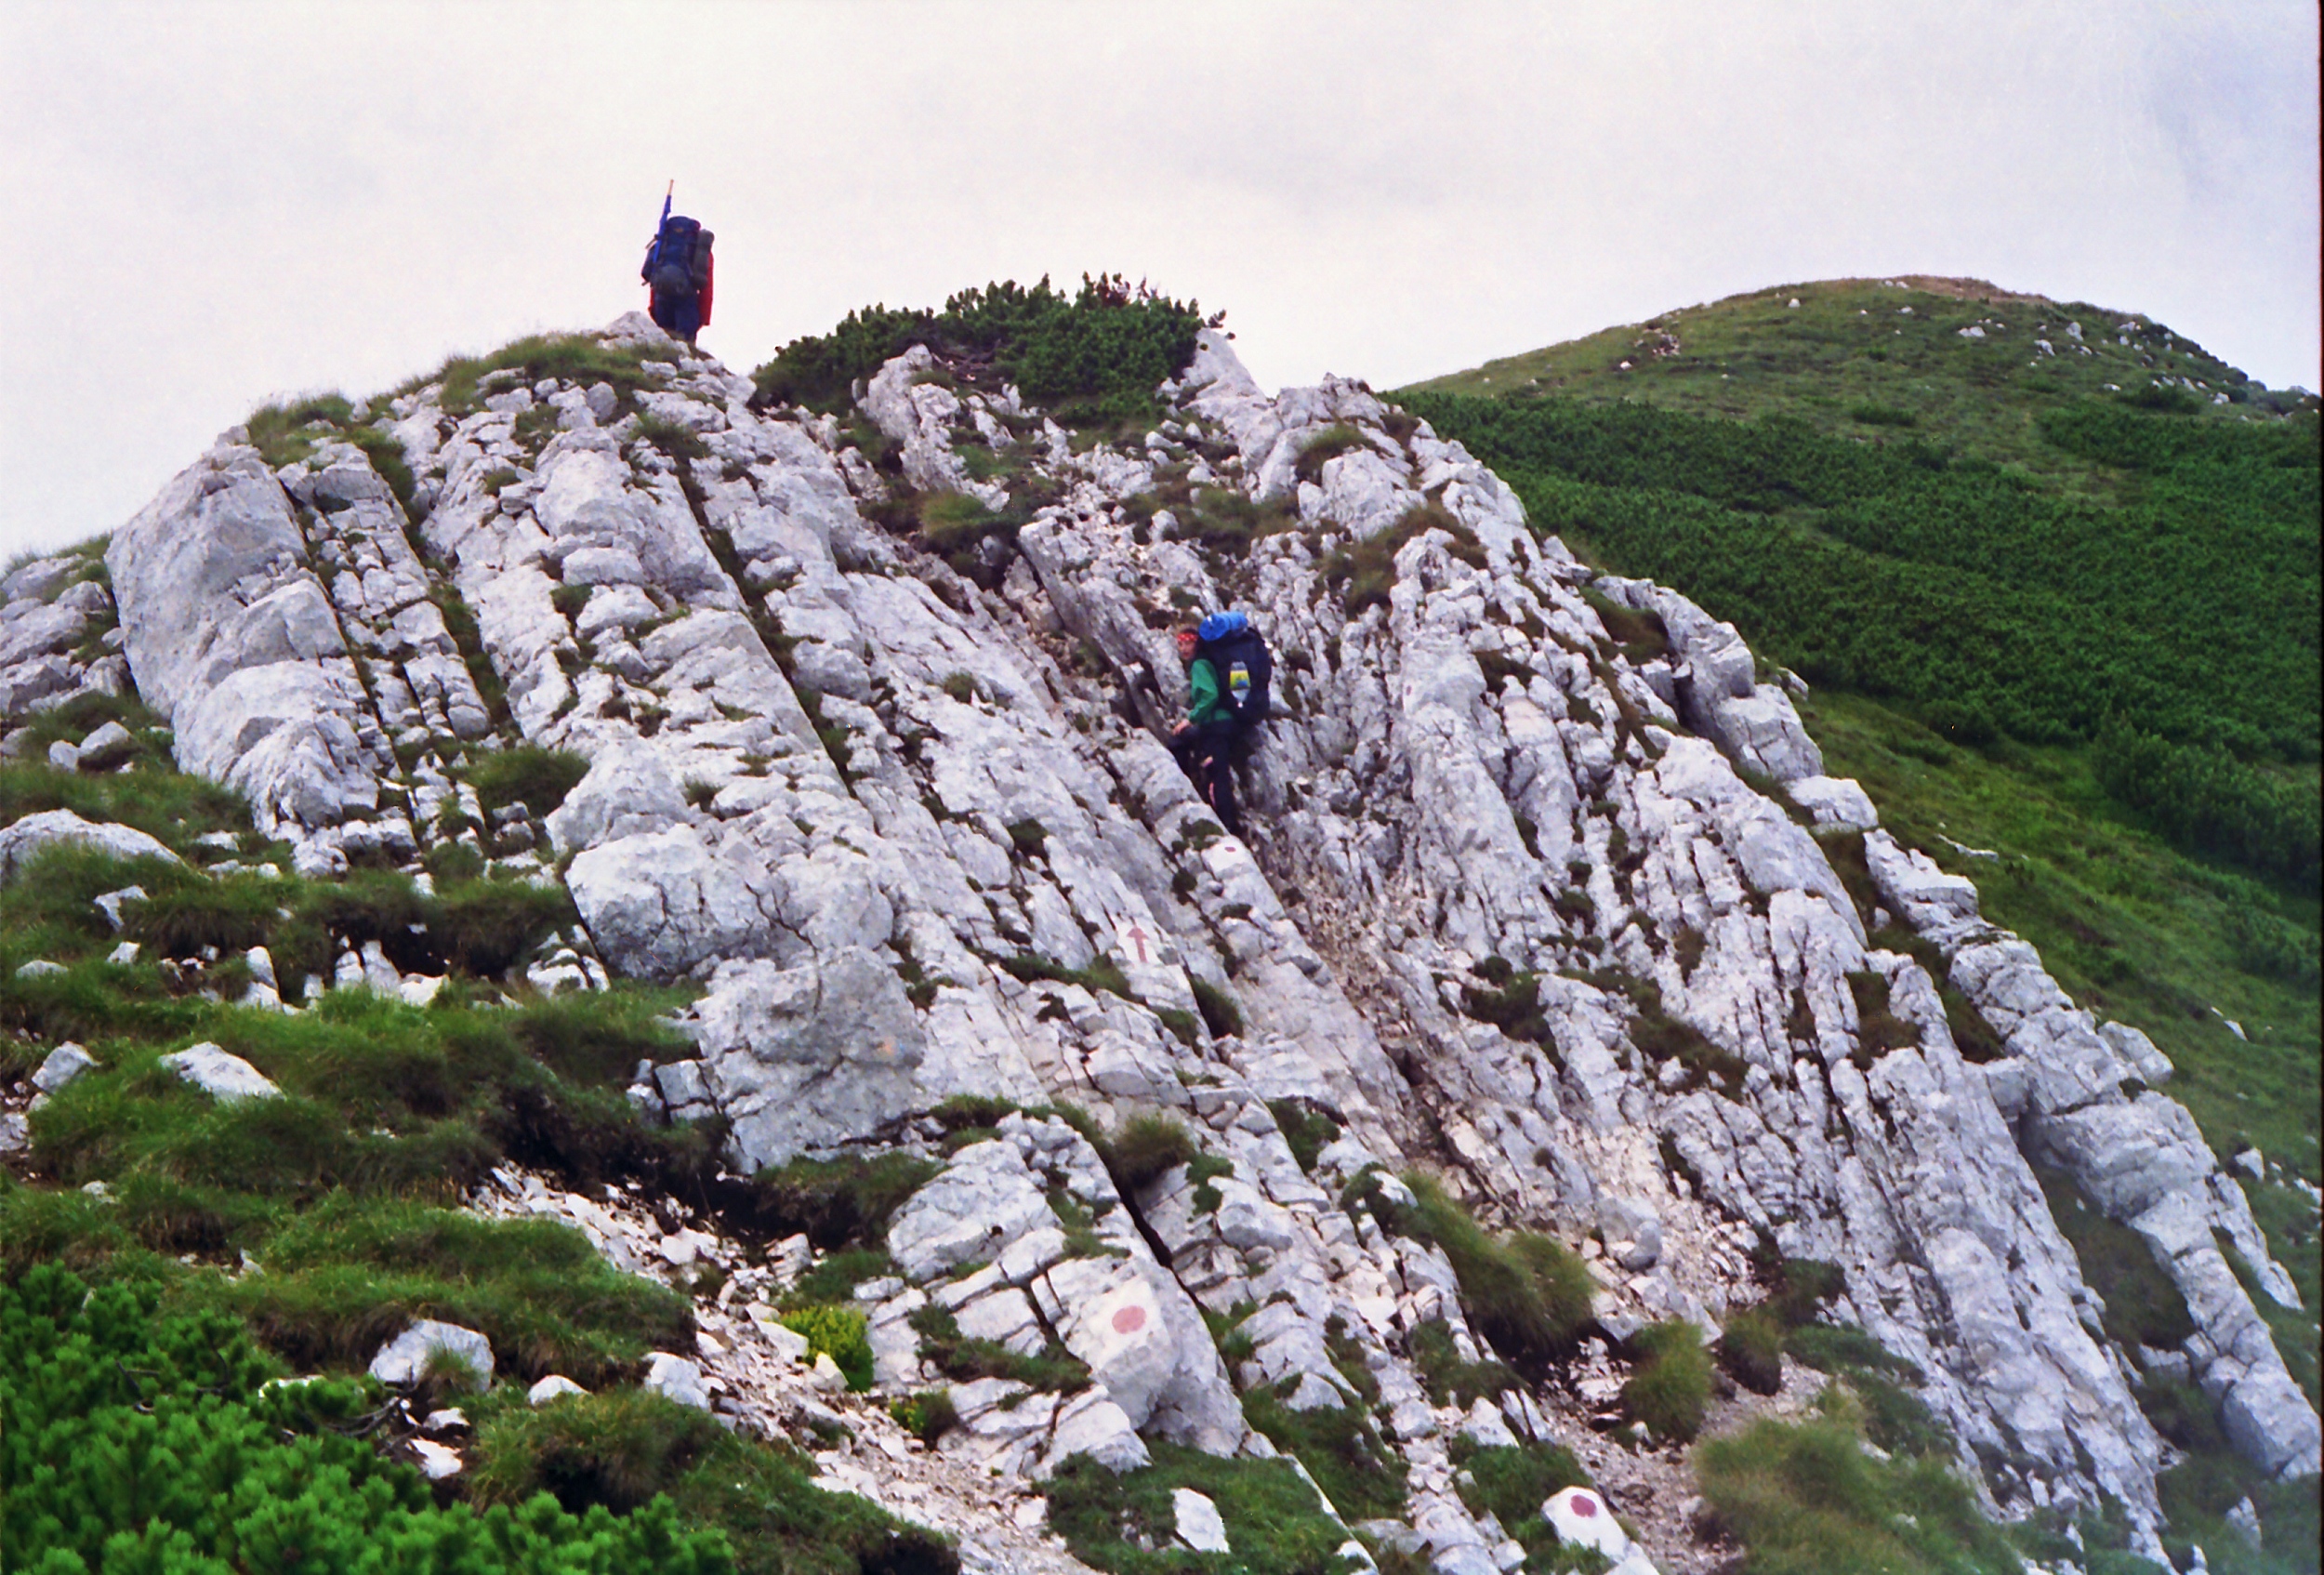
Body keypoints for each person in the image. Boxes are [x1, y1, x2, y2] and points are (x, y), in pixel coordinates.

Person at [1170, 624, 1246, 838]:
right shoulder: (1212, 660)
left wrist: (1191, 719)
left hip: (1217, 725)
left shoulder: (1200, 665)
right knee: (1212, 763)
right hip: (1228, 722)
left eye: (1188, 642)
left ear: (1197, 642)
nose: (1184, 648)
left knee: (1219, 774)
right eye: (1180, 644)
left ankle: (1228, 824)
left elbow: (1210, 696)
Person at [641, 209, 715, 347]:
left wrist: (653, 308)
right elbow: (707, 288)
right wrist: (703, 318)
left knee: (662, 345)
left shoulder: (663, 245)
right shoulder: (700, 250)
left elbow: (654, 277)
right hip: (687, 301)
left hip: (661, 299)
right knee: (685, 347)